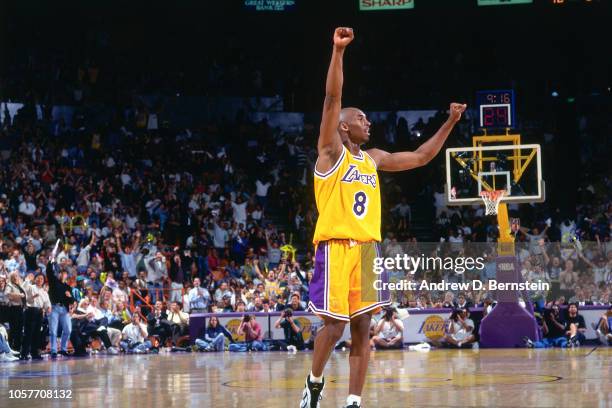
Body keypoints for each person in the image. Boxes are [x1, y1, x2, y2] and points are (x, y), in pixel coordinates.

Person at [301, 27, 466, 408]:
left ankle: (354, 401)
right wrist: (338, 52)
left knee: (363, 328)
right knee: (335, 324)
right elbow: (331, 97)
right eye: (361, 118)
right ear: (344, 126)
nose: (368, 122)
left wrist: (450, 123)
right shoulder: (329, 152)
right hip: (336, 245)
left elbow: (422, 157)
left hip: (367, 250)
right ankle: (313, 384)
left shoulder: (372, 158)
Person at [46, 241, 74, 358]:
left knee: (68, 330)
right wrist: (50, 261)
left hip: (65, 310)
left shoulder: (68, 287)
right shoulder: (54, 281)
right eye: (61, 273)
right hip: (54, 308)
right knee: (53, 331)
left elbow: (72, 301)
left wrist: (70, 297)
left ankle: (62, 349)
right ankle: (53, 350)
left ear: (66, 275)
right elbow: (49, 271)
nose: (62, 275)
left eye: (64, 273)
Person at [20, 272, 51, 360]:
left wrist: (48, 307)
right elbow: (23, 288)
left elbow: (47, 302)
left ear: (43, 281)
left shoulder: (44, 291)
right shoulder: (31, 287)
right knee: (28, 333)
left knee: (37, 333)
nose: (40, 280)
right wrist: (27, 280)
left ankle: (34, 353)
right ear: (35, 279)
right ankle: (24, 353)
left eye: (42, 279)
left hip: (40, 312)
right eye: (38, 278)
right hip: (31, 310)